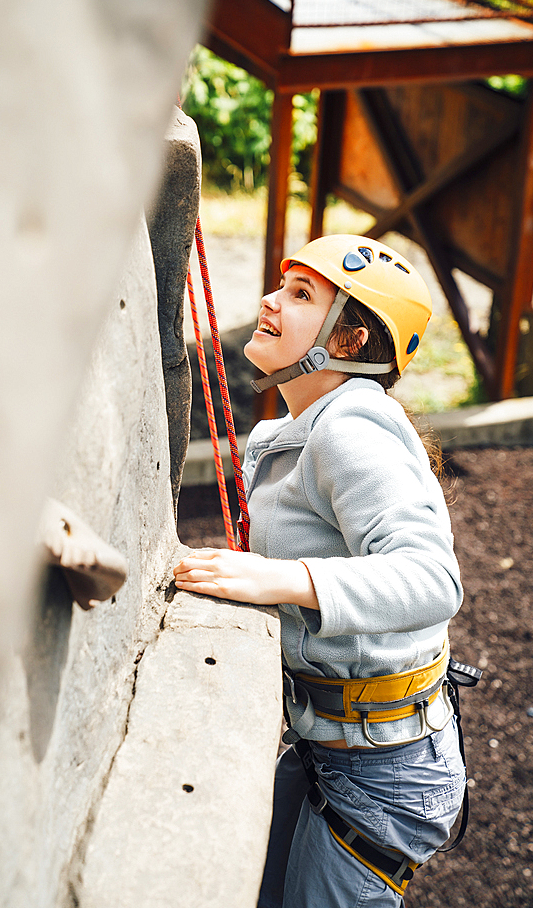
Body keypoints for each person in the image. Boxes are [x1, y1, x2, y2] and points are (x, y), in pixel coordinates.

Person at [173, 235, 465, 908]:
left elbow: (431, 579)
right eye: (282, 285)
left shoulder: (350, 430)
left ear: (350, 339)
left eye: (300, 295)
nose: (270, 301)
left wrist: (279, 581)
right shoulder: (297, 432)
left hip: (383, 775)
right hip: (332, 751)